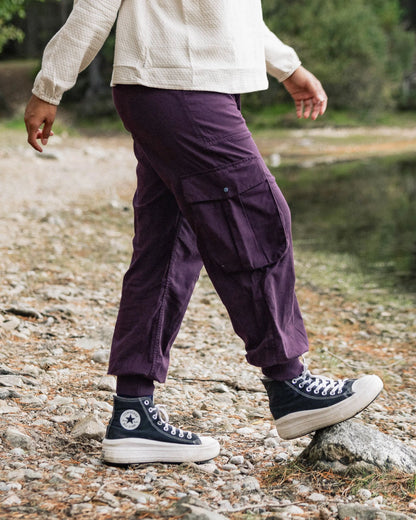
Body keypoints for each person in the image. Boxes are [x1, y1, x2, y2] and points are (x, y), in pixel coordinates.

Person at [24, 0, 383, 465]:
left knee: (167, 247)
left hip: (191, 87)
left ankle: (133, 413)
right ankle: (289, 382)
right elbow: (95, 5)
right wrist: (49, 86)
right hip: (178, 87)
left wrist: (287, 67)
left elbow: (232, 13)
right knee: (255, 218)